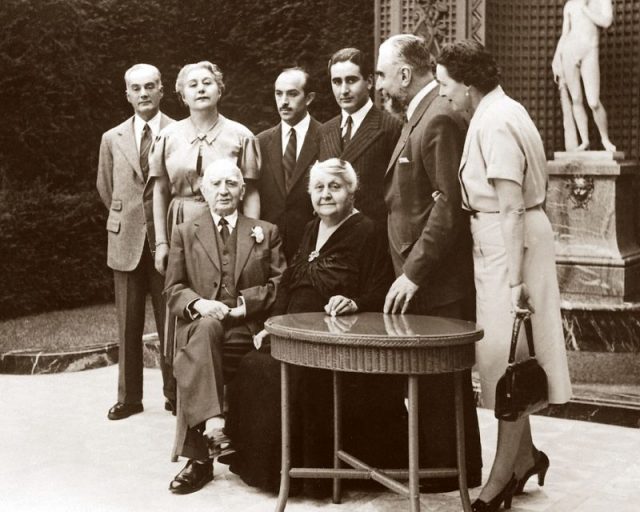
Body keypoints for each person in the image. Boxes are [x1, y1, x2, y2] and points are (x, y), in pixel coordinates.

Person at [436, 40, 572, 511]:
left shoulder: (494, 122)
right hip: (505, 238)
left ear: (468, 85)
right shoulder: (504, 109)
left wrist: (515, 280)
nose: (443, 94)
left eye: (445, 84)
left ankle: (497, 482)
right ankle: (526, 457)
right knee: (507, 360)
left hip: (508, 243)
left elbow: (512, 203)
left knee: (504, 361)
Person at [223, 159, 406, 495]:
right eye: (319, 188)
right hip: (295, 335)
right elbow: (290, 283)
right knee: (254, 365)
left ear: (352, 192)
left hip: (336, 342)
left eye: (334, 187)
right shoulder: (310, 229)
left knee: (298, 378)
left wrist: (354, 303)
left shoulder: (368, 230)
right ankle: (270, 469)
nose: (325, 195)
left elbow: (381, 288)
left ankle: (309, 475)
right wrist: (270, 326)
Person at [375, 34, 482, 492]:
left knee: (443, 385)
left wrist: (413, 273)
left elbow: (448, 206)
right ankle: (443, 470)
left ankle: (451, 474)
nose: (378, 84)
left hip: (436, 283)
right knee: (433, 385)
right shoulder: (418, 115)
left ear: (404, 74)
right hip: (422, 279)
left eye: (381, 74)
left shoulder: (437, 116)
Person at [163, 159, 286, 495]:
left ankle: (204, 452)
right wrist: (200, 304)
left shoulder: (265, 230)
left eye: (231, 183)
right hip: (204, 328)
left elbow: (280, 283)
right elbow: (173, 289)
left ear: (242, 190)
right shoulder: (186, 232)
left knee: (206, 349)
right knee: (204, 333)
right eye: (216, 184)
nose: (224, 190)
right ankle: (208, 442)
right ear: (204, 190)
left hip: (248, 330)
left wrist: (242, 305)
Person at [149, 61, 261, 408]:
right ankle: (181, 389)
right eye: (192, 84)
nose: (201, 88)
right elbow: (159, 190)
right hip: (182, 221)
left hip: (227, 225)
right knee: (185, 302)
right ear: (181, 95)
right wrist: (162, 242)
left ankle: (225, 395)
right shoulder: (167, 137)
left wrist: (251, 234)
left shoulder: (240, 135)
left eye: (208, 82)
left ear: (220, 89)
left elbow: (252, 189)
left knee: (223, 302)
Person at [96, 63, 175, 420]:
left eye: (150, 87)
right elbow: (105, 187)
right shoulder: (112, 138)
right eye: (136, 88)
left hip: (166, 241)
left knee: (171, 320)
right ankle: (130, 398)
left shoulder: (179, 132)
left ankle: (175, 393)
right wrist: (128, 217)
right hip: (125, 238)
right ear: (127, 94)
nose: (144, 94)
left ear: (162, 90)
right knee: (127, 322)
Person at [319, 47, 402, 228]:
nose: (344, 90)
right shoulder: (325, 130)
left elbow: (399, 195)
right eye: (337, 81)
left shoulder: (391, 128)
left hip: (373, 239)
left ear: (370, 81)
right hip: (332, 237)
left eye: (351, 80)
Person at [257, 67, 320, 263]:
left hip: (313, 244)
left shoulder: (327, 136)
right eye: (279, 94)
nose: (284, 101)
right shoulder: (260, 141)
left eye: (292, 94)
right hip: (270, 247)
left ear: (309, 98)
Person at [552, 0, 616, 152]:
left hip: (589, 50)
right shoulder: (570, 5)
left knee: (593, 101)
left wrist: (585, 10)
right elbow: (564, 34)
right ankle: (585, 141)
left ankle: (605, 139)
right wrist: (556, 59)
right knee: (576, 98)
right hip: (569, 51)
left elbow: (606, 22)